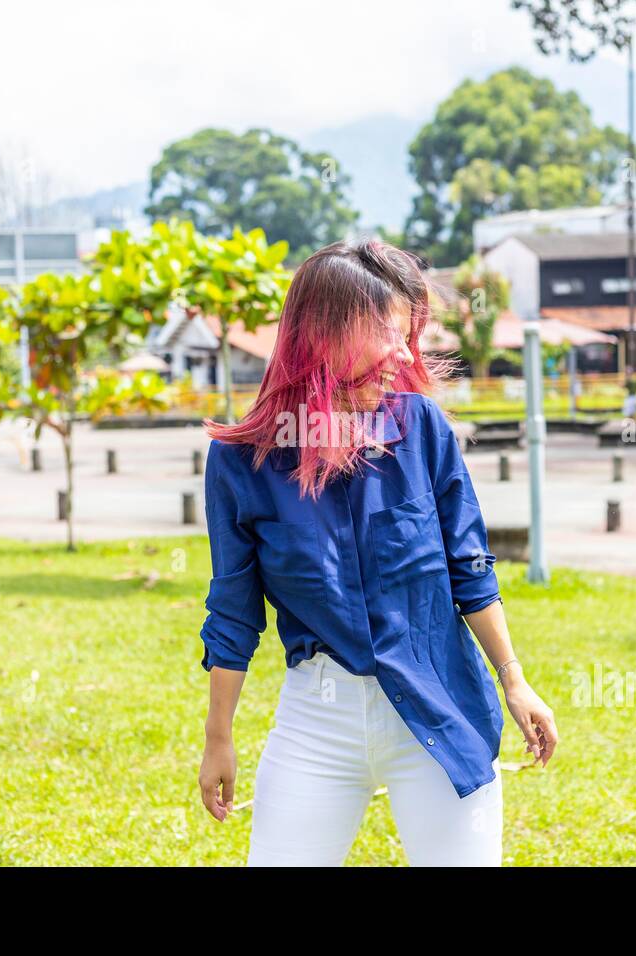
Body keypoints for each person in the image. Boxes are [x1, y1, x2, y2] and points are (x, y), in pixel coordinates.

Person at [196, 237, 559, 867]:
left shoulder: (422, 430)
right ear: (323, 333)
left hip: (440, 703)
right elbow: (234, 609)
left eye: (408, 332)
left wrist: (515, 681)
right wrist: (218, 738)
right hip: (319, 718)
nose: (404, 352)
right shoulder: (240, 462)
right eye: (386, 332)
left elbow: (468, 569)